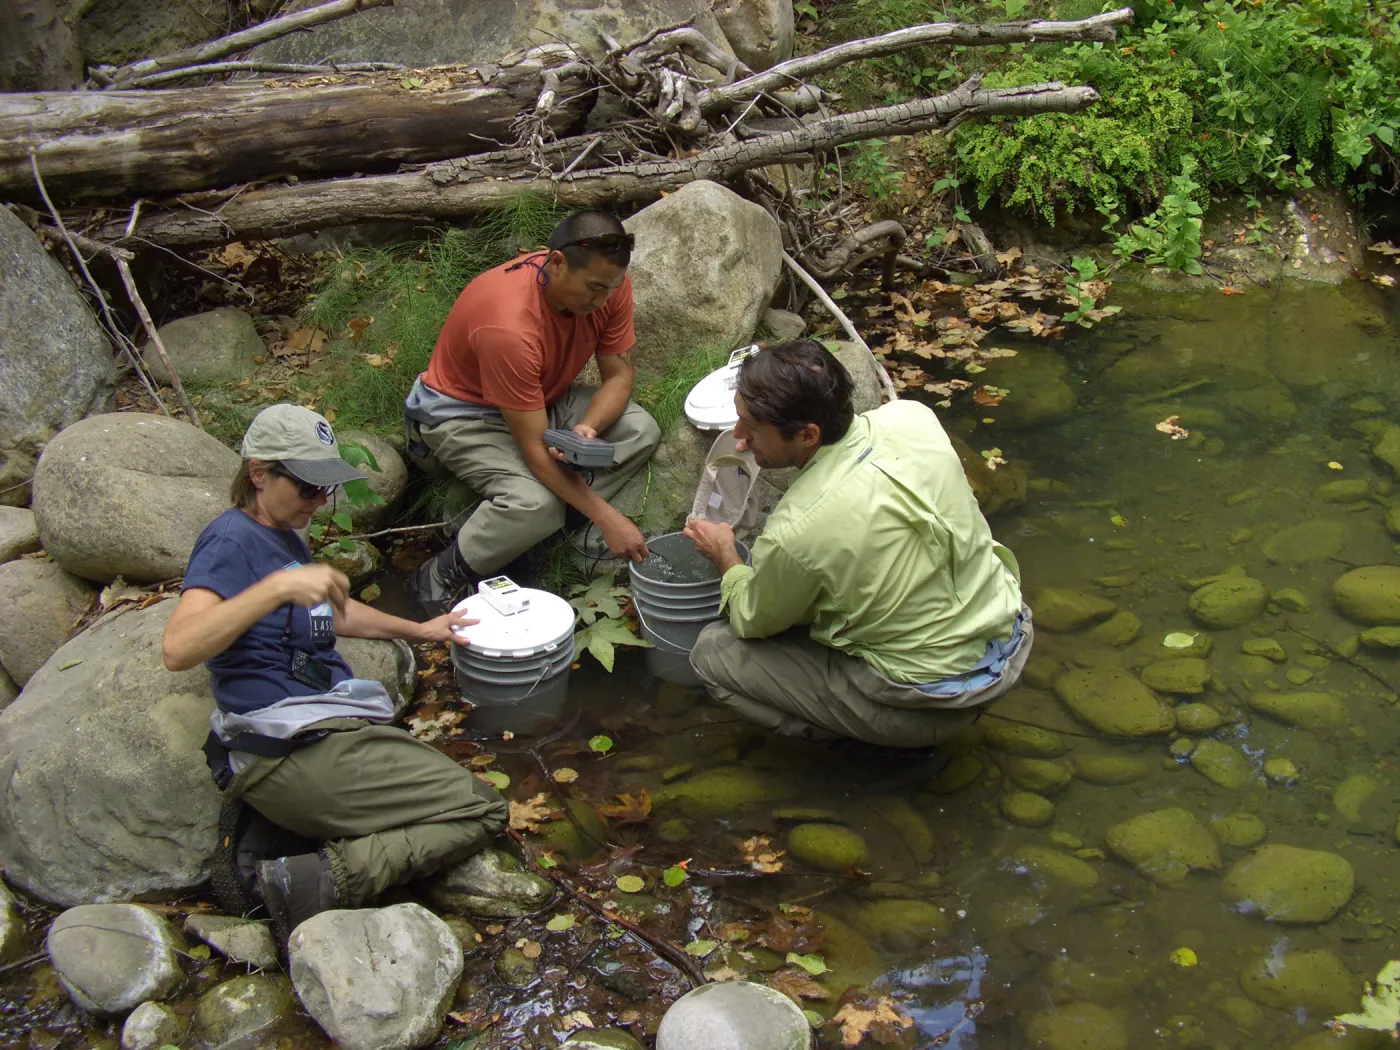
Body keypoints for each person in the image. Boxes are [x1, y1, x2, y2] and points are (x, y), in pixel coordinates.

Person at [163, 404, 509, 939]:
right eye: (308, 488)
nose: (321, 501)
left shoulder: (282, 533)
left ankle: (278, 832)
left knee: (436, 791)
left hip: (322, 725)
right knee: (483, 811)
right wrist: (274, 589)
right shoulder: (230, 541)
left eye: (327, 488)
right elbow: (178, 648)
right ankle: (306, 883)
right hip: (287, 745)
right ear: (259, 474)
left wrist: (421, 630)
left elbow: (334, 615)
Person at [682, 340, 1032, 750]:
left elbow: (751, 619)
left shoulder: (796, 530)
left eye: (751, 428)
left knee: (712, 652)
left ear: (808, 434)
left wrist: (725, 555)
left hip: (931, 703)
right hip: (1011, 638)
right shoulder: (912, 416)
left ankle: (864, 742)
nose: (738, 438)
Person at [404, 208, 662, 616]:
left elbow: (619, 378)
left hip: (538, 398)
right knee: (536, 503)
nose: (602, 302)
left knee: (639, 430)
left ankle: (539, 535)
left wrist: (586, 429)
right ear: (556, 263)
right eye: (594, 289)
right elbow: (535, 452)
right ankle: (439, 574)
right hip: (464, 414)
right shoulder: (508, 325)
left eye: (611, 289)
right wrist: (608, 518)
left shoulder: (609, 284)